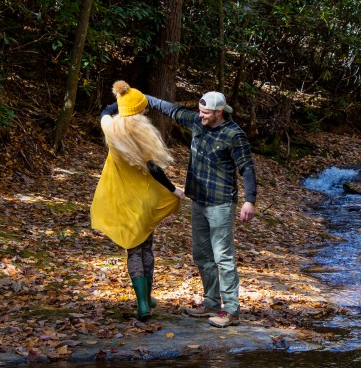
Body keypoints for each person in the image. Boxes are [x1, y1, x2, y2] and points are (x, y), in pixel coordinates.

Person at [145, 89, 256, 328]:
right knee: (202, 254)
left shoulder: (234, 135)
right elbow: (171, 109)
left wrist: (250, 200)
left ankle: (231, 310)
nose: (201, 115)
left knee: (223, 257)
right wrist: (143, 97)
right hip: (199, 200)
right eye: (200, 111)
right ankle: (211, 303)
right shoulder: (197, 121)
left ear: (219, 112)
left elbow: (246, 167)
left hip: (221, 203)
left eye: (205, 112)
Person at [90, 81, 184, 321]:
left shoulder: (110, 128)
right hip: (144, 201)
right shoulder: (142, 136)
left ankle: (142, 303)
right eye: (143, 108)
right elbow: (154, 170)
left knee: (133, 251)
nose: (146, 110)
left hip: (122, 201)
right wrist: (173, 189)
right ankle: (147, 299)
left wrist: (120, 102)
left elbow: (105, 111)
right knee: (146, 247)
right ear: (137, 111)